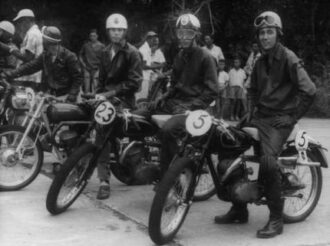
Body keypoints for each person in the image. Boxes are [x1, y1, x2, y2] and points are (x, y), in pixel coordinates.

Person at [214, 11, 316, 239]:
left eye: (270, 32)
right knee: (227, 144)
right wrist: (249, 112)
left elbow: (309, 90)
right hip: (261, 116)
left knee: (268, 162)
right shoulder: (260, 61)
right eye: (262, 33)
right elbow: (250, 90)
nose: (265, 37)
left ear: (278, 34)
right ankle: (239, 208)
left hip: (280, 119)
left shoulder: (288, 58)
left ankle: (276, 219)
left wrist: (292, 117)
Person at [135, 13, 218, 179]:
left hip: (195, 108)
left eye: (189, 33)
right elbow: (174, 86)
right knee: (136, 117)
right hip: (175, 103)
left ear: (197, 35)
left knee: (168, 130)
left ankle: (170, 176)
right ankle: (139, 163)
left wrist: (191, 106)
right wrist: (160, 99)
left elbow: (212, 91)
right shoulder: (180, 56)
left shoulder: (206, 57)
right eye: (180, 33)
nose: (184, 37)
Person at [95, 13, 143, 200]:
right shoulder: (105, 52)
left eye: (119, 30)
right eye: (113, 30)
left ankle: (103, 181)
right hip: (106, 99)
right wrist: (98, 95)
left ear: (124, 31)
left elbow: (135, 83)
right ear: (108, 32)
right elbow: (100, 80)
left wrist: (110, 94)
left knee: (103, 128)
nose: (116, 33)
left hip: (124, 101)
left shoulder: (132, 53)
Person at [3, 26, 82, 102]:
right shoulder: (45, 56)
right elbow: (29, 67)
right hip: (52, 96)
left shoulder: (69, 56)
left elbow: (78, 78)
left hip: (66, 96)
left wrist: (72, 95)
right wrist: (9, 74)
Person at [13, 9, 43, 83]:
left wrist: (11, 50)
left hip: (29, 78)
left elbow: (28, 58)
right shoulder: (35, 32)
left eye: (20, 22)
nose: (19, 25)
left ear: (26, 20)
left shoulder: (32, 34)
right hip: (32, 76)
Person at [136, 31, 164, 100]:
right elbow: (143, 66)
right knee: (141, 99)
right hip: (143, 78)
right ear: (148, 39)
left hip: (145, 77)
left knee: (143, 98)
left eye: (155, 39)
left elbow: (148, 64)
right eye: (152, 39)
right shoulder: (144, 50)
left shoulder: (147, 49)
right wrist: (158, 66)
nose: (154, 41)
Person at [79, 29, 105, 94]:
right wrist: (83, 64)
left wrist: (100, 68)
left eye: (94, 36)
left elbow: (105, 58)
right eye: (91, 36)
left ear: (97, 36)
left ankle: (95, 99)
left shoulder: (102, 46)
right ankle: (85, 98)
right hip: (87, 68)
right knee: (86, 86)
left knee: (96, 86)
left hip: (97, 68)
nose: (92, 37)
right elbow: (80, 55)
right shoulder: (86, 45)